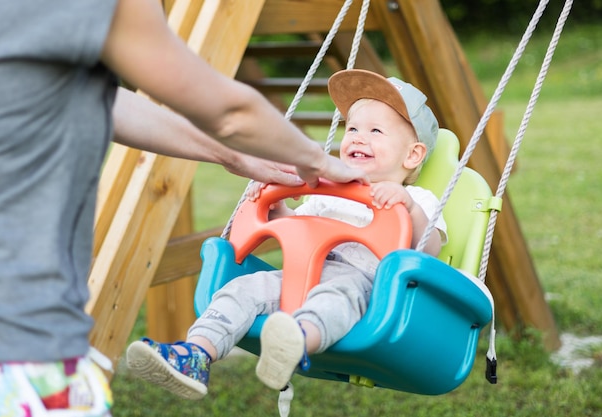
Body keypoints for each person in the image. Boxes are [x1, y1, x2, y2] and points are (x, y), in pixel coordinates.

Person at [0, 1, 368, 415]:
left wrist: (232, 155)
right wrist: (316, 159)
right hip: (21, 341)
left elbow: (102, 100)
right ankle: (200, 350)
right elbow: (228, 112)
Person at [125, 68, 448, 400]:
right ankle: (196, 353)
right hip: (301, 277)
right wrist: (275, 208)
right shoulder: (329, 193)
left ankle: (295, 341)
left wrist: (408, 208)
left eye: (376, 130)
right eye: (352, 128)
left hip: (364, 286)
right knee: (242, 288)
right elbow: (300, 225)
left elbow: (428, 250)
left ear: (412, 155)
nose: (357, 137)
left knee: (336, 298)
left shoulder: (418, 200)